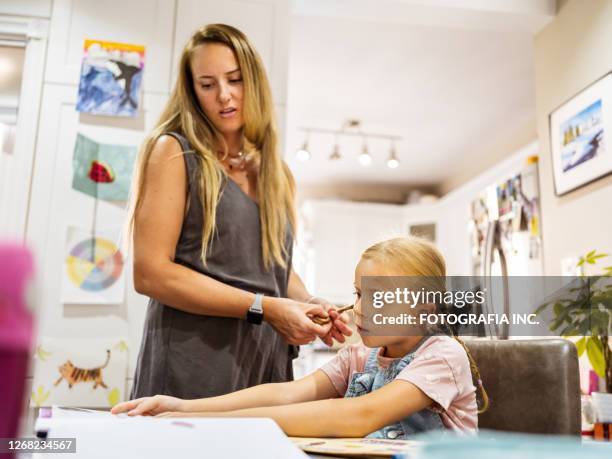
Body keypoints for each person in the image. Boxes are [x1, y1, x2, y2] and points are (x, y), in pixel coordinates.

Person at [127, 23, 351, 401]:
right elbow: (150, 272)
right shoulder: (175, 153)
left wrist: (308, 302)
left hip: (264, 364)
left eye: (235, 79)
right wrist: (264, 307)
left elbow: (273, 266)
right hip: (192, 364)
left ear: (255, 81)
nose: (225, 96)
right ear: (192, 91)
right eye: (208, 84)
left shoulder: (277, 174)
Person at [113, 237, 489, 439]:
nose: (360, 309)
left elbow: (358, 416)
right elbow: (286, 392)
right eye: (359, 294)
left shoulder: (442, 355)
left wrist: (215, 421)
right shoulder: (361, 356)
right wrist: (183, 407)